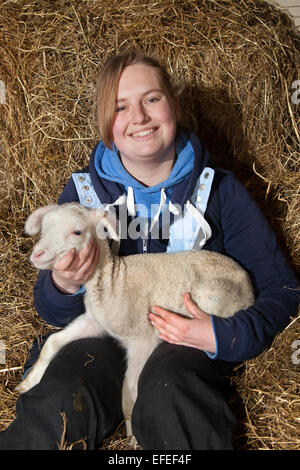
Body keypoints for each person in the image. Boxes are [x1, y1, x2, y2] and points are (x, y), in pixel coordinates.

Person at [0, 50, 298, 450]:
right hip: (104, 337)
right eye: (121, 107)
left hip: (182, 343)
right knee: (58, 398)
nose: (139, 117)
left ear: (173, 105)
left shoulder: (219, 191)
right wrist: (64, 283)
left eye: (152, 99)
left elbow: (283, 289)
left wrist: (223, 334)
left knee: (170, 392)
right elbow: (50, 309)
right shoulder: (84, 197)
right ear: (106, 122)